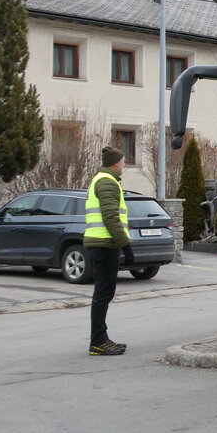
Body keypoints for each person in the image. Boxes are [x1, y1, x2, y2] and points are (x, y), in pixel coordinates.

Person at [84, 146, 134, 356]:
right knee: (103, 294)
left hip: (103, 244)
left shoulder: (104, 180)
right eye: (123, 161)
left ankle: (101, 339)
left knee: (104, 293)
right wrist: (126, 246)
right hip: (104, 245)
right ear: (115, 163)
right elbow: (110, 217)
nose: (124, 164)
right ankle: (98, 342)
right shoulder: (107, 182)